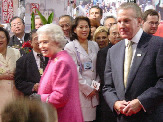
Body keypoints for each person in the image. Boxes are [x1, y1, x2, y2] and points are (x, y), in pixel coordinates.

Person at [103, 2, 163, 122]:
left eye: (126, 21)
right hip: (122, 117)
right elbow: (107, 87)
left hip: (149, 116)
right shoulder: (113, 50)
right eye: (119, 21)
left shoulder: (157, 45)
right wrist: (115, 103)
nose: (121, 25)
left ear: (139, 21)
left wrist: (141, 102)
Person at [37, 24, 83, 122]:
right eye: (39, 43)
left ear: (57, 41)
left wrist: (40, 98)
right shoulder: (55, 59)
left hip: (63, 116)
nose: (41, 46)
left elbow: (59, 97)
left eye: (45, 42)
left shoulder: (62, 62)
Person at [64, 16, 100, 122]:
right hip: (80, 91)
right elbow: (73, 72)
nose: (84, 30)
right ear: (74, 29)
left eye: (87, 27)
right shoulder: (70, 47)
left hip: (94, 90)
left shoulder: (94, 45)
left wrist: (95, 86)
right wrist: (87, 89)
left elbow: (99, 68)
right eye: (81, 27)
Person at [96, 24, 122, 122]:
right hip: (110, 98)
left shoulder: (127, 49)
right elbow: (105, 77)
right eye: (114, 33)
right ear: (109, 36)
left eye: (119, 33)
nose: (117, 36)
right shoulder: (104, 53)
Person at [14, 29, 48, 96]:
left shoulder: (52, 57)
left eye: (42, 38)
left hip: (52, 96)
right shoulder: (22, 61)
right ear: (30, 42)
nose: (39, 41)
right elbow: (18, 82)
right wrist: (33, 86)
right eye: (36, 38)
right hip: (33, 99)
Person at [0, 27, 20, 120]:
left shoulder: (16, 52)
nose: (0, 40)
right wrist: (3, 76)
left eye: (2, 37)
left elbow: (21, 71)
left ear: (7, 38)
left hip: (15, 92)